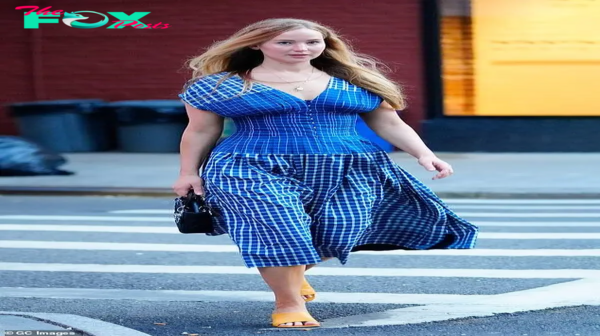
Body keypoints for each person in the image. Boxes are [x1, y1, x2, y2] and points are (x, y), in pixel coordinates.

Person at [173, 18, 479, 329]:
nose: (301, 48)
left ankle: (293, 270)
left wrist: (425, 155)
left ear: (325, 44)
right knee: (278, 226)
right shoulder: (221, 85)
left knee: (343, 227)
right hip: (249, 165)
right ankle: (288, 303)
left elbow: (389, 123)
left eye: (311, 42)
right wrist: (188, 173)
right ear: (256, 43)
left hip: (349, 165)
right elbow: (199, 131)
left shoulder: (355, 79)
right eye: (286, 42)